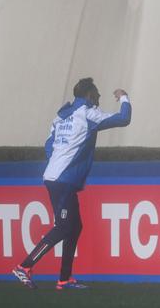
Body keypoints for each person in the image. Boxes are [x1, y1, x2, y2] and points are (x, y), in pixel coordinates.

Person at [11, 78, 132, 290]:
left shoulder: (60, 116)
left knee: (75, 227)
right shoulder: (87, 113)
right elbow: (124, 119)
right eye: (97, 93)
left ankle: (64, 279)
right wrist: (123, 96)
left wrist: (58, 161)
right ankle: (24, 266)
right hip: (63, 180)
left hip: (56, 176)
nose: (99, 97)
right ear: (88, 95)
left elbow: (48, 144)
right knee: (63, 227)